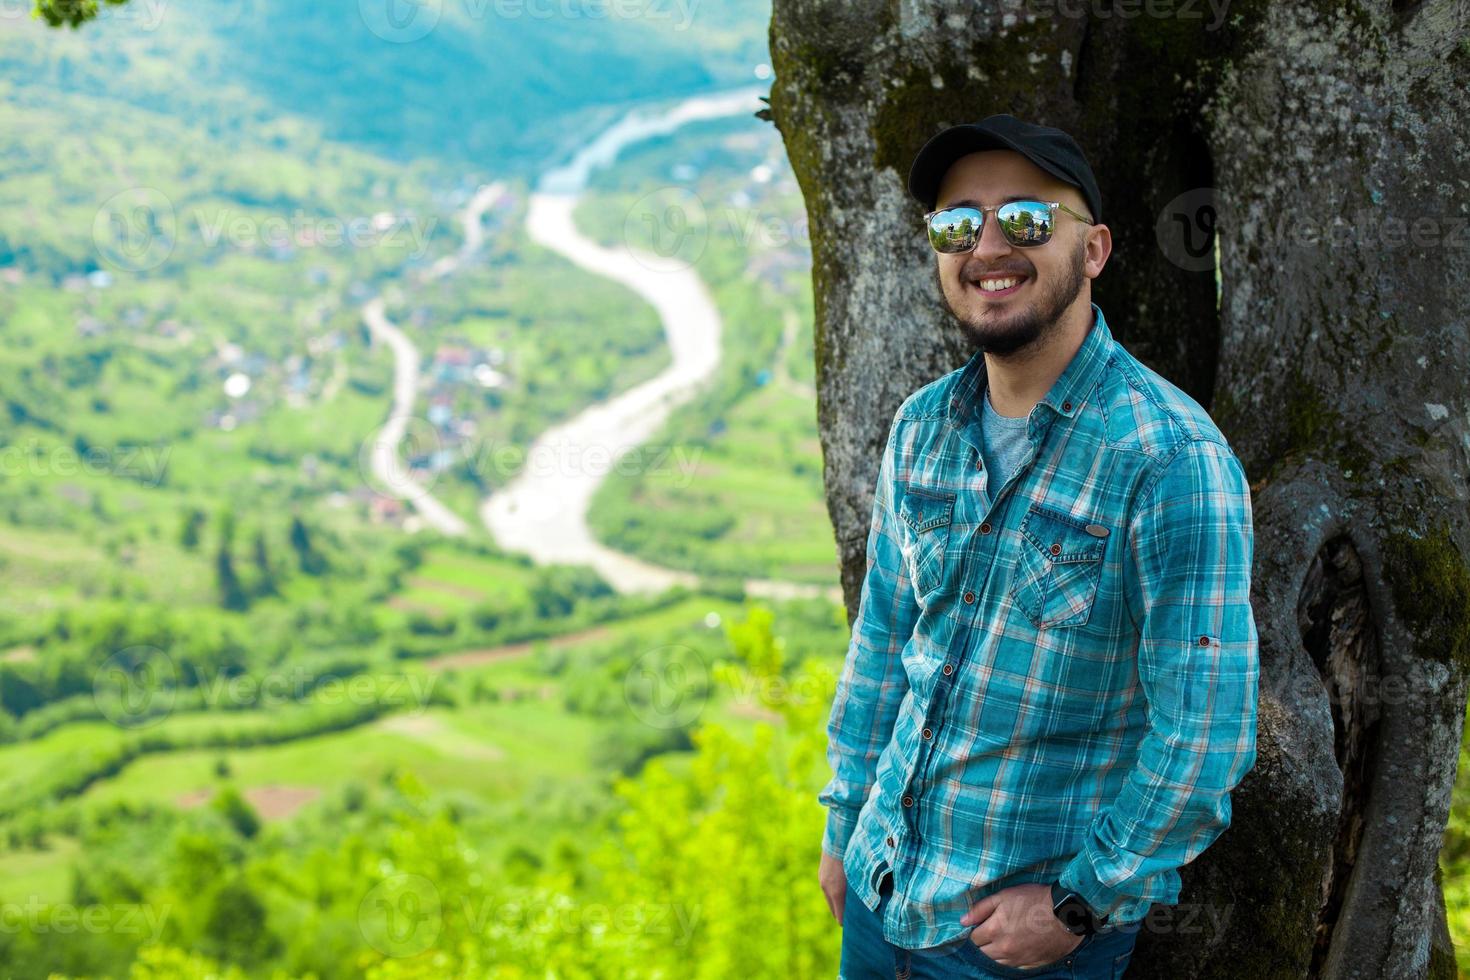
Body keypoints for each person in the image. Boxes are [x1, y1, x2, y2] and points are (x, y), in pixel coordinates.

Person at [818, 114, 1259, 979]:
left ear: (1092, 251)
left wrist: (1079, 902)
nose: (987, 245)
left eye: (1024, 219)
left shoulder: (1171, 459)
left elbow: (1205, 732)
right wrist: (845, 827)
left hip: (1017, 951)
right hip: (879, 898)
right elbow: (881, 649)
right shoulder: (922, 428)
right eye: (957, 224)